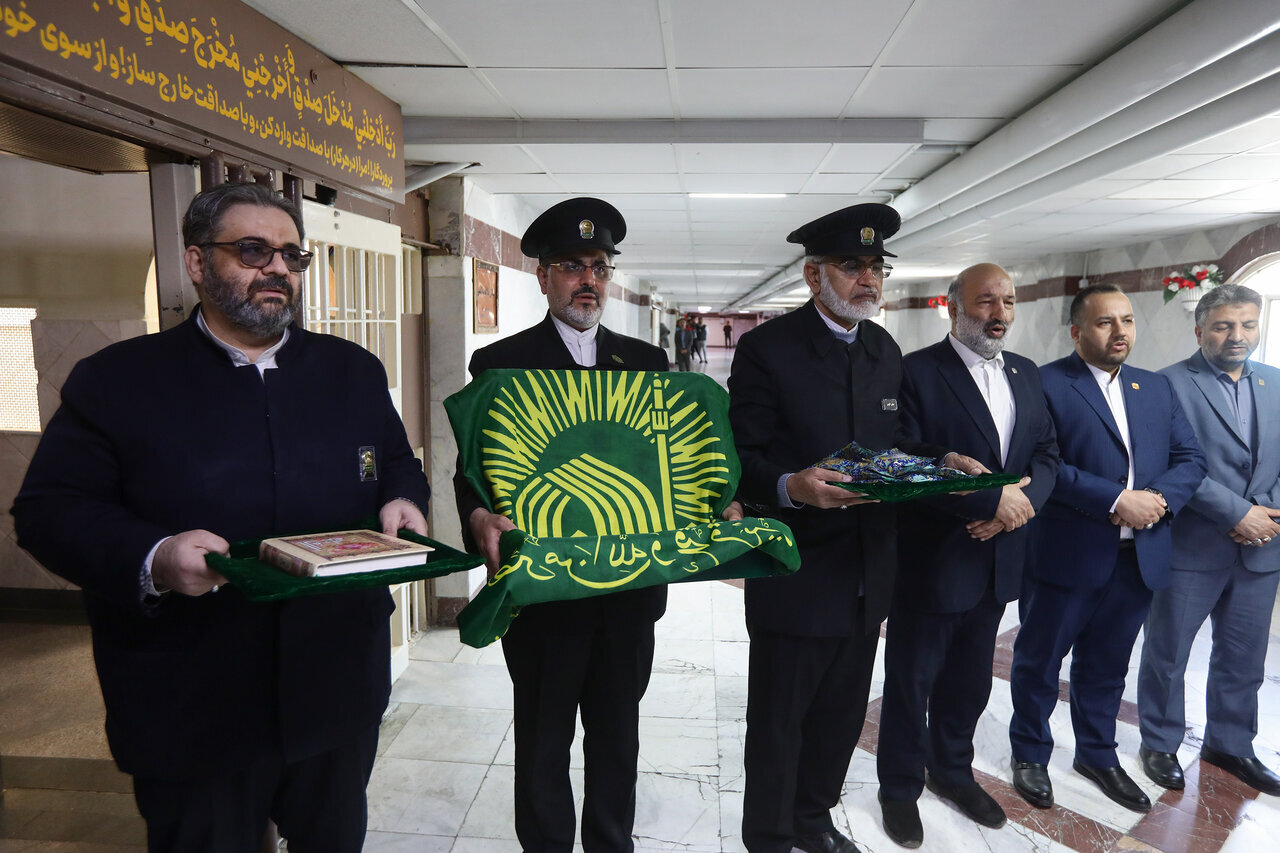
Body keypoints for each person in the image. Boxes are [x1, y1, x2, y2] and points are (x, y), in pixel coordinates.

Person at [10, 181, 431, 853]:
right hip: (191, 699)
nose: (278, 268)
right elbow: (49, 511)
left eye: (292, 255)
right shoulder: (117, 380)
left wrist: (402, 499)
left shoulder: (351, 371)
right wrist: (155, 557)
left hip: (334, 684)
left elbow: (394, 462)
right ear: (197, 262)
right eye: (253, 250)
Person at [729, 203, 984, 853]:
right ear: (814, 275)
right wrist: (792, 487)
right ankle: (769, 838)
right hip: (797, 572)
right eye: (852, 266)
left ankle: (813, 821)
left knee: (841, 716)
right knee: (780, 722)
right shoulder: (767, 350)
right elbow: (739, 459)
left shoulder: (882, 348)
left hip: (870, 573)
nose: (868, 278)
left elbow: (891, 447)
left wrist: (939, 460)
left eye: (875, 266)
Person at [454, 197, 672, 853]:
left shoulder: (646, 363)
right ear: (544, 276)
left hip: (628, 592)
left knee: (618, 739)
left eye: (600, 267)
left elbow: (666, 467)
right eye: (574, 266)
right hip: (542, 596)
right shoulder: (500, 364)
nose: (589, 281)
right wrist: (477, 516)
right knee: (543, 743)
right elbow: (473, 473)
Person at [876, 263, 1059, 847]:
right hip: (934, 559)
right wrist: (986, 501)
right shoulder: (916, 372)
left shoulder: (1026, 373)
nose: (999, 314)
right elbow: (900, 456)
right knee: (912, 683)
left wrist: (1016, 508)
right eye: (986, 302)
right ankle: (899, 787)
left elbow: (1047, 453)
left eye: (1008, 301)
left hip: (998, 557)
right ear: (952, 307)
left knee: (971, 682)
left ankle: (952, 770)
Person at [1007, 284, 1205, 814]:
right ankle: (1029, 753)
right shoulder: (1046, 383)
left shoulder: (1154, 387)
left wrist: (1157, 500)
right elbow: (1041, 464)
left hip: (1137, 557)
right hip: (1066, 554)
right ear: (1077, 332)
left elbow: (1190, 458)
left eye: (1127, 320)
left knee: (1107, 664)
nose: (1120, 332)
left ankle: (1096, 754)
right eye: (1104, 322)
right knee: (1039, 661)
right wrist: (1117, 499)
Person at [1137, 284, 1280, 796]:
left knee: (1244, 658)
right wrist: (1238, 512)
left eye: (1247, 324)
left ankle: (1231, 744)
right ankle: (1159, 743)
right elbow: (1167, 464)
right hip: (1191, 547)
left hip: (1263, 547)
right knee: (1168, 653)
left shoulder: (1276, 382)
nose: (1237, 335)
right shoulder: (1166, 385)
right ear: (1200, 330)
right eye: (1223, 326)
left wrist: (1267, 513)